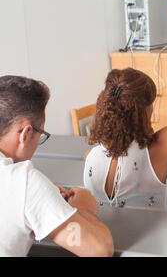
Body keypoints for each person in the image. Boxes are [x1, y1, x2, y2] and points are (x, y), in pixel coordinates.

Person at [83, 6, 167, 209]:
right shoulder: (157, 151)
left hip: (115, 240)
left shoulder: (90, 158)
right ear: (144, 112)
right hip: (158, 240)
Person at [0, 76, 114, 257]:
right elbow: (99, 250)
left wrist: (45, 196)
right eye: (41, 133)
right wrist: (85, 208)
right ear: (26, 133)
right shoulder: (25, 182)